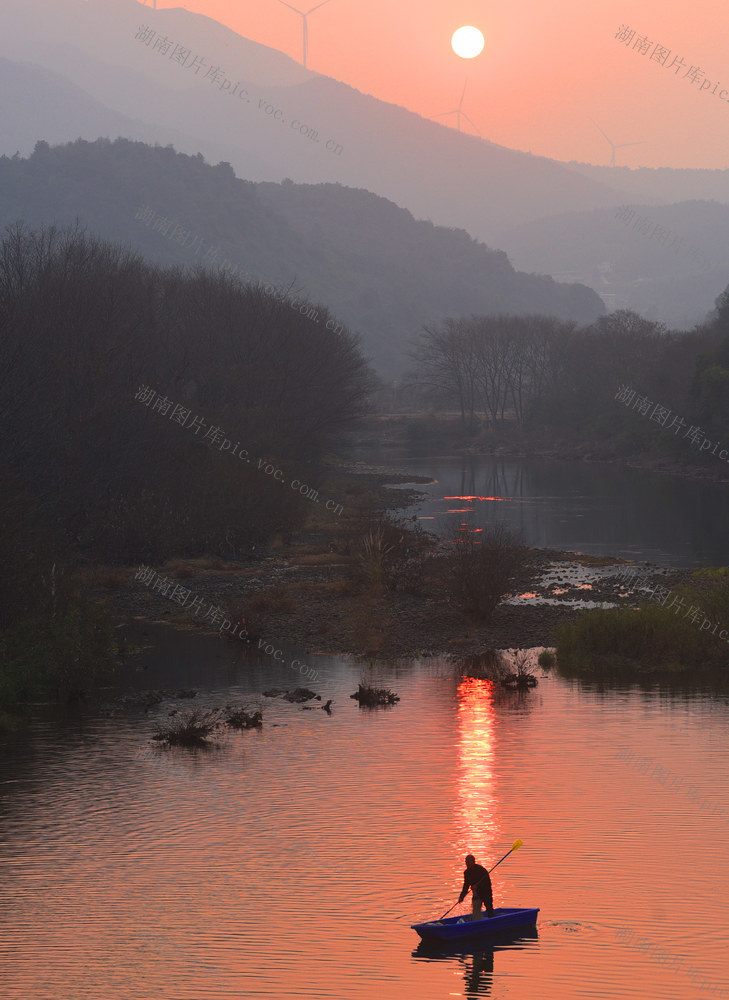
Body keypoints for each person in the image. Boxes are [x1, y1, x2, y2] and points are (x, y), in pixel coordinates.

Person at [458, 853, 494, 920]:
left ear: (473, 862)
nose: (467, 864)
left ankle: (492, 920)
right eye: (466, 862)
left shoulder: (481, 870)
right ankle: (477, 921)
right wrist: (461, 896)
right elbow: (466, 885)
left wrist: (478, 886)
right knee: (476, 911)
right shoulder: (467, 873)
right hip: (476, 894)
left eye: (468, 862)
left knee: (489, 908)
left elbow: (488, 883)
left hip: (486, 892)